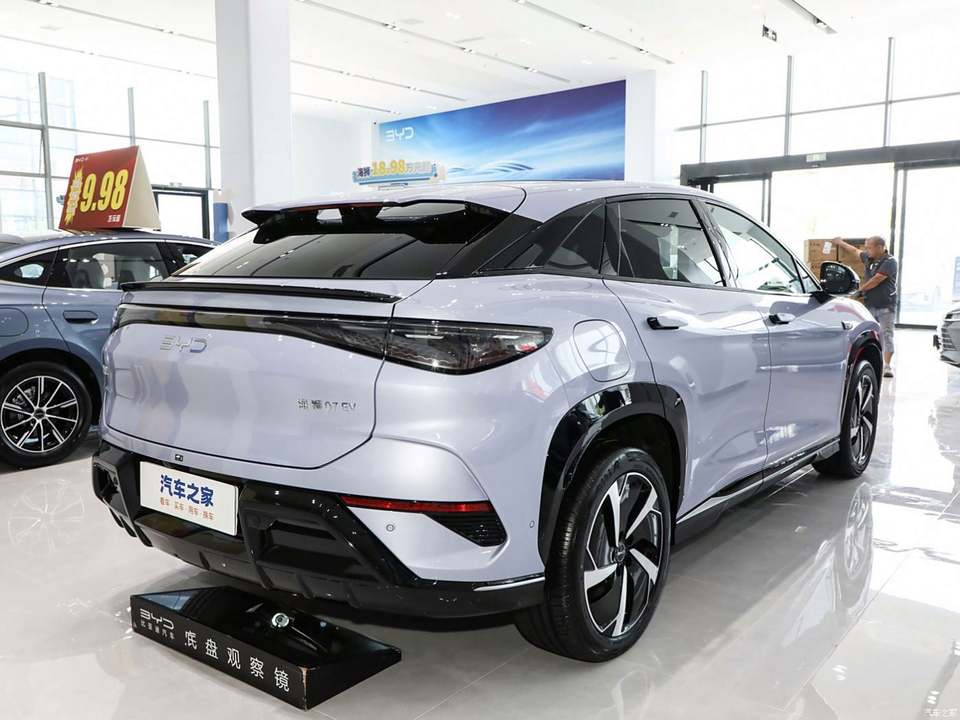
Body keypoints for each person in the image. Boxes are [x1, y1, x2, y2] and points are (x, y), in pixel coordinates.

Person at [833, 236, 898, 377]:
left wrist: (859, 291)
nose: (867, 250)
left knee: (886, 334)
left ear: (880, 247)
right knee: (868, 334)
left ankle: (887, 366)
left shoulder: (890, 262)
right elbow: (854, 251)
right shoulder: (869, 258)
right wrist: (840, 242)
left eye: (869, 247)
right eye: (866, 247)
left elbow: (877, 279)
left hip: (886, 306)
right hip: (869, 306)